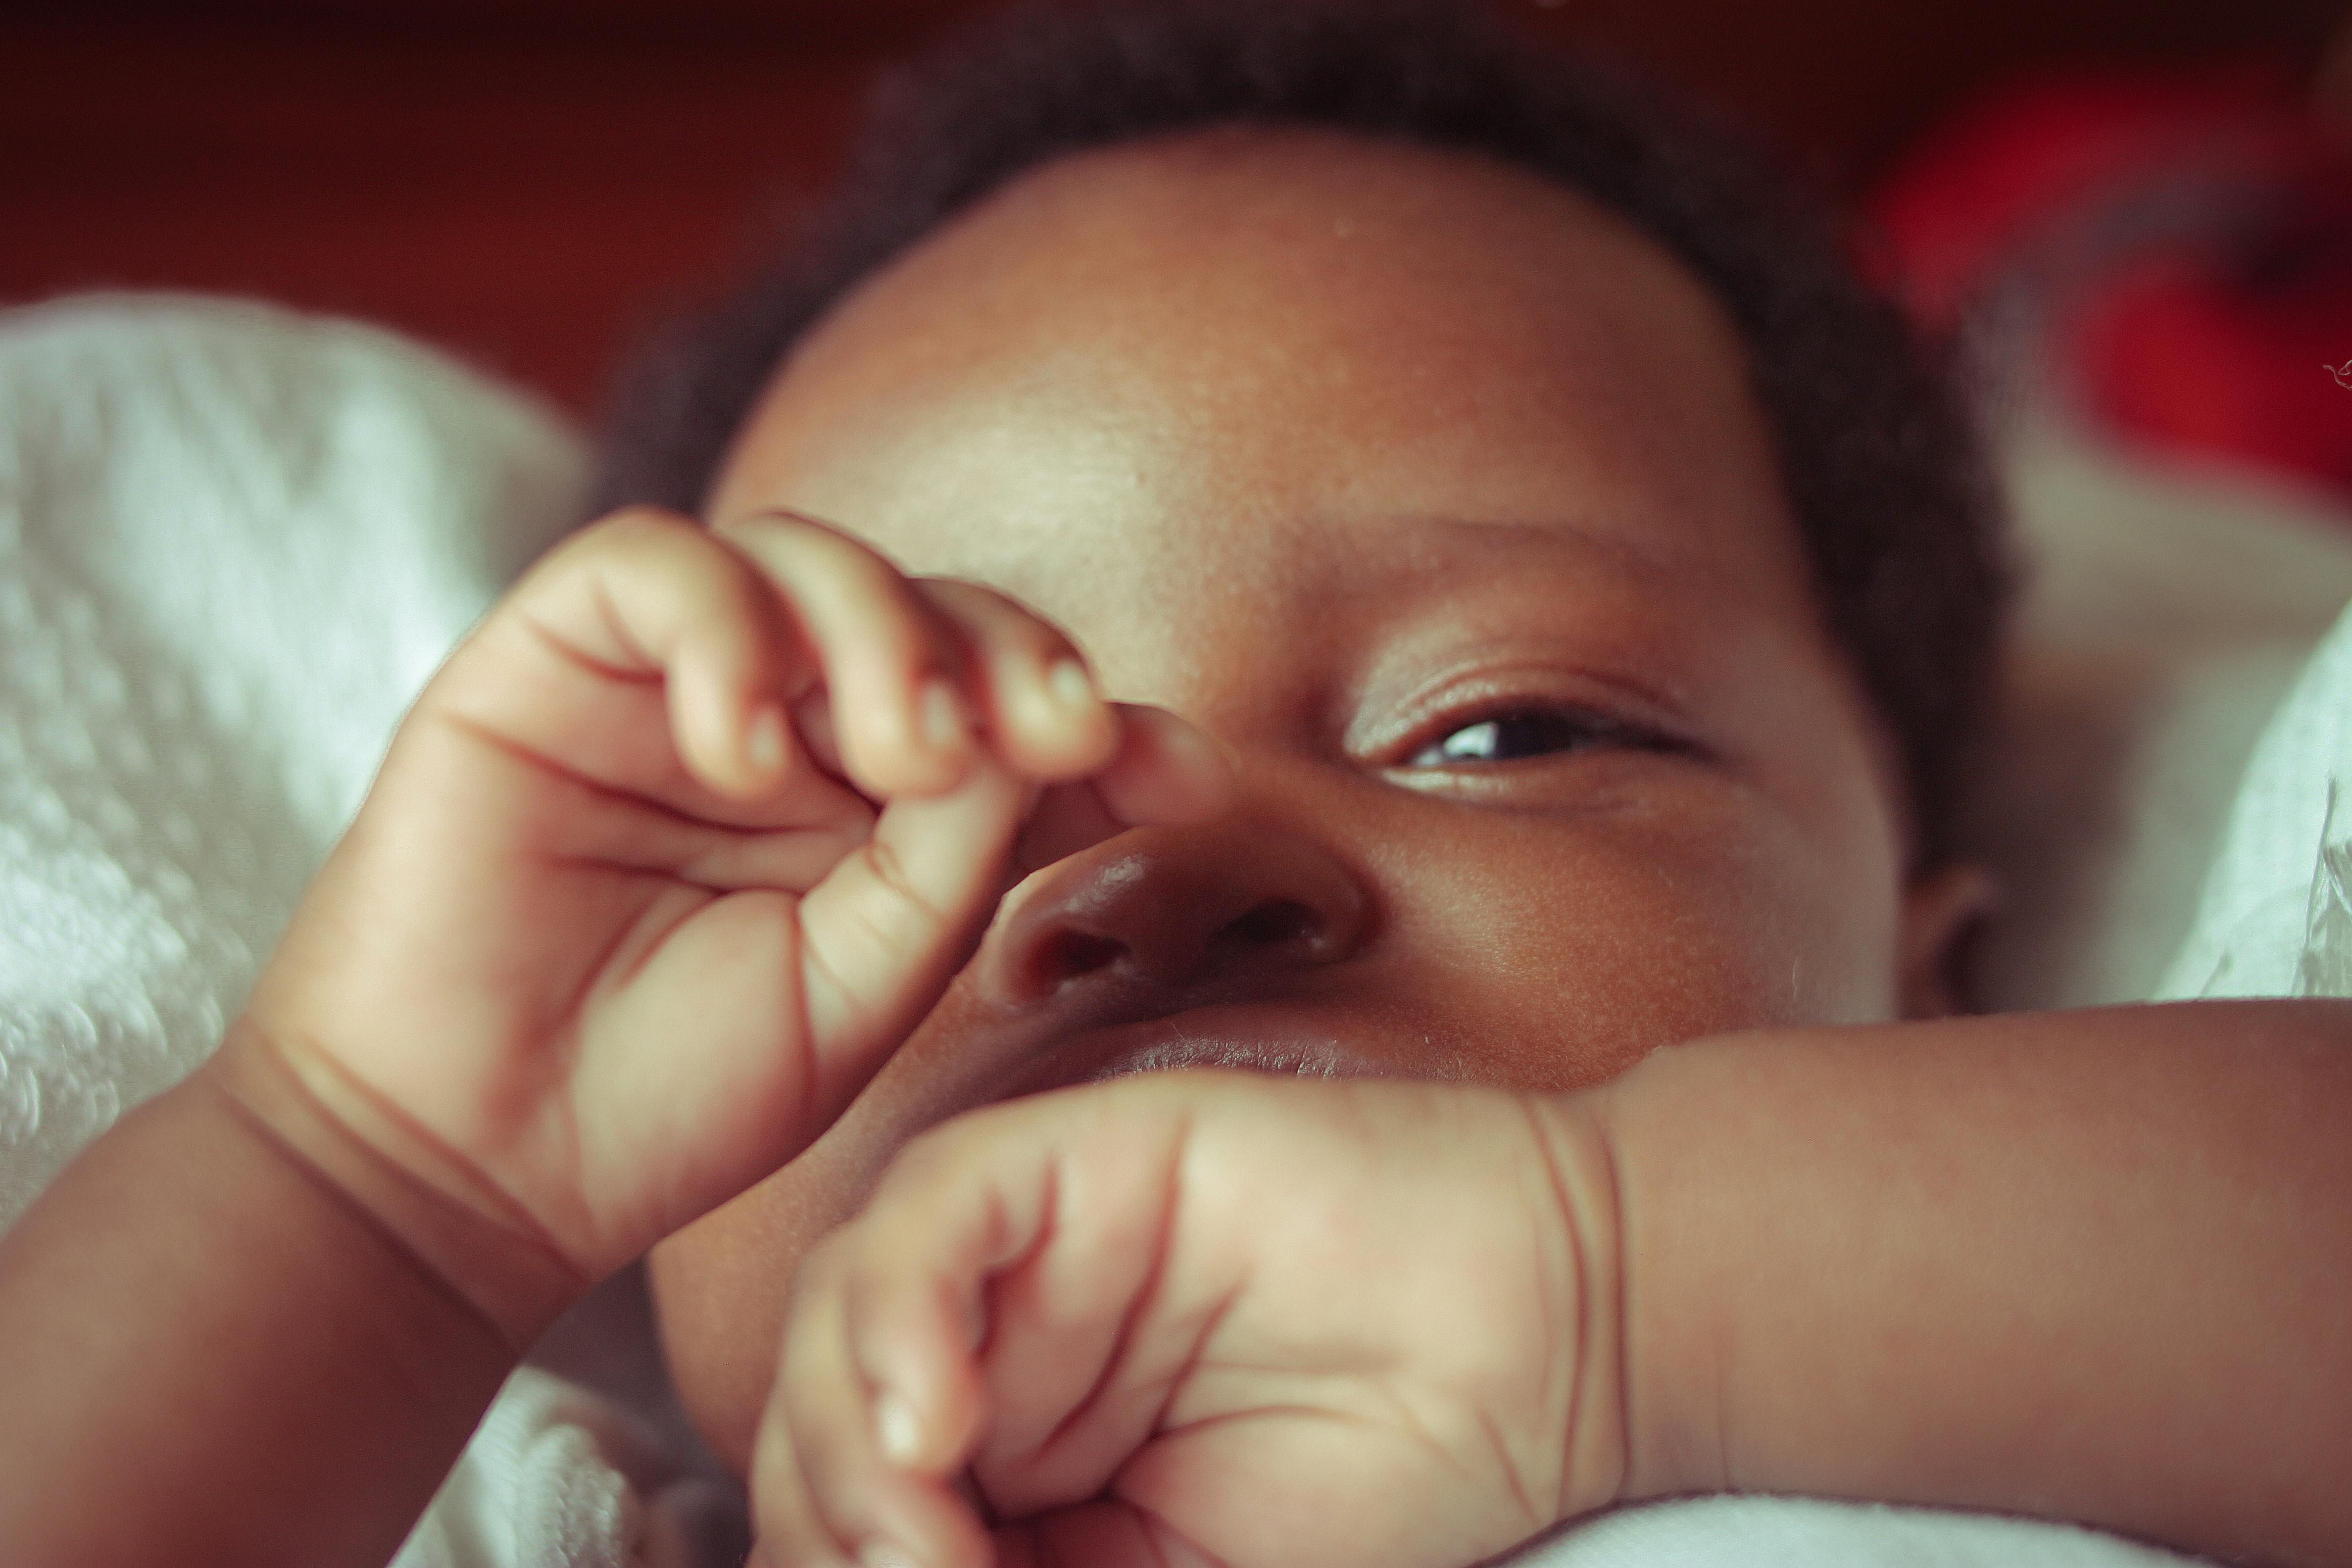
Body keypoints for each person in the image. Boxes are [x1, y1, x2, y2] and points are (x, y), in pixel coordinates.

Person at [2, 2, 2348, 1566]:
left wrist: (1607, 1280)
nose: (1151, 870)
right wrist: (378, 1186)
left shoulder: (2059, 1372)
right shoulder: (553, 1506)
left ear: (1945, 995)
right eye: (887, 793)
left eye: (1509, 728)